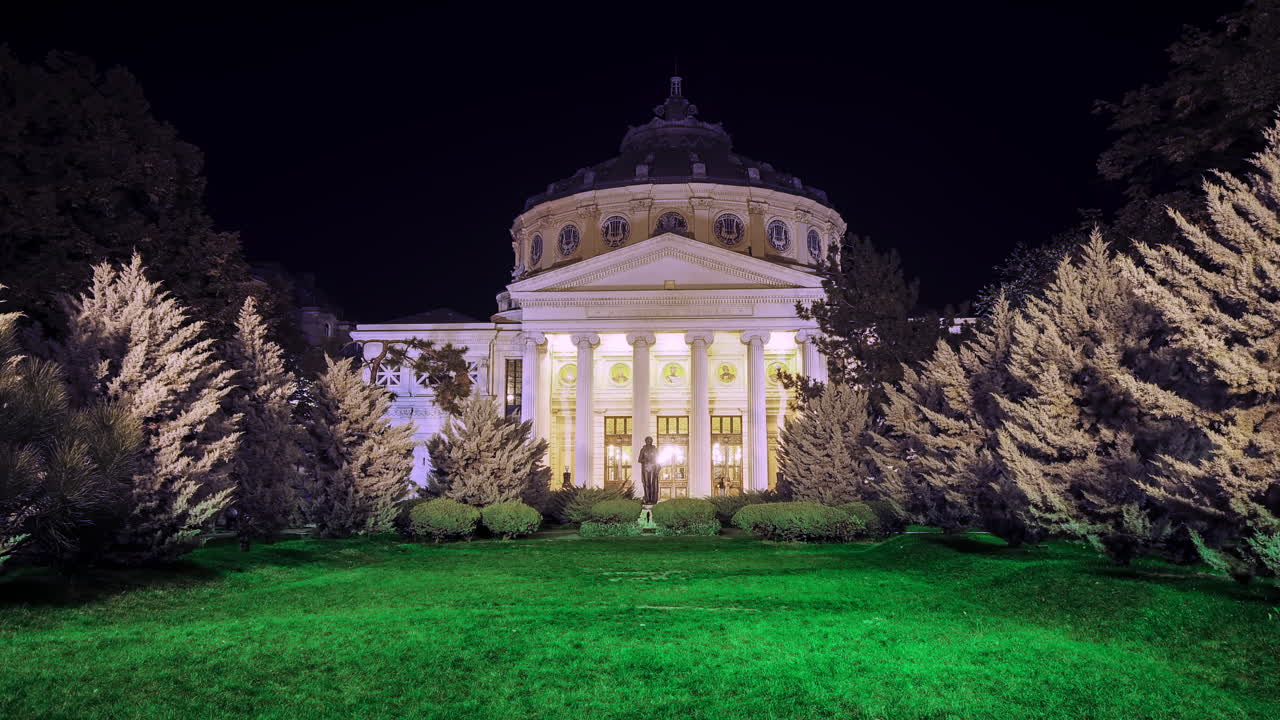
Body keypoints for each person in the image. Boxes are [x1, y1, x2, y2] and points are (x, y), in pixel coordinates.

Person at [637, 436, 660, 505]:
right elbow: (639, 460)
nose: (649, 442)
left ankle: (653, 499)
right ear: (646, 441)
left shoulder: (655, 449)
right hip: (645, 468)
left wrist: (657, 467)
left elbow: (658, 459)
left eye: (650, 441)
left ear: (652, 441)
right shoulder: (643, 450)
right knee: (646, 484)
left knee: (652, 484)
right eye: (648, 441)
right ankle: (647, 499)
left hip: (653, 468)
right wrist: (644, 460)